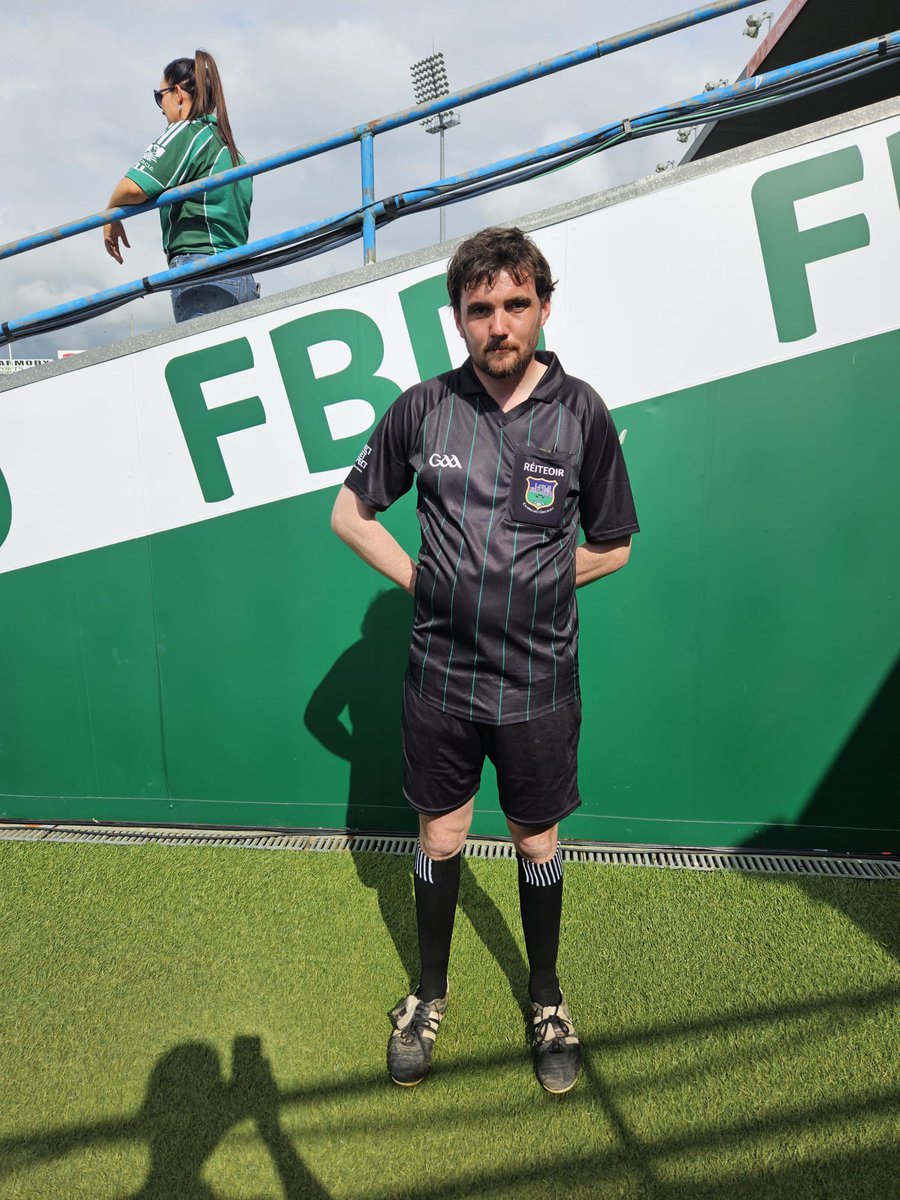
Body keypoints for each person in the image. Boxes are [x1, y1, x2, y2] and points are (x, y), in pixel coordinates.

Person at [331, 226, 639, 1095]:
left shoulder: (583, 415)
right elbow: (350, 517)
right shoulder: (422, 410)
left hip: (540, 681)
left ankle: (545, 997)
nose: (498, 324)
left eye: (514, 305)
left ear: (543, 307)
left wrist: (537, 582)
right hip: (443, 682)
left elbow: (613, 545)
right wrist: (429, 581)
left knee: (535, 837)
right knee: (443, 833)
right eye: (480, 310)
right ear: (458, 320)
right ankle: (428, 994)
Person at [102, 49, 257, 324]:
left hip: (202, 273)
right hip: (243, 275)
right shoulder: (231, 149)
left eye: (159, 97)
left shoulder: (187, 132)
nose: (162, 108)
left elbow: (134, 188)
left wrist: (110, 211)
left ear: (178, 94)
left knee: (204, 366)